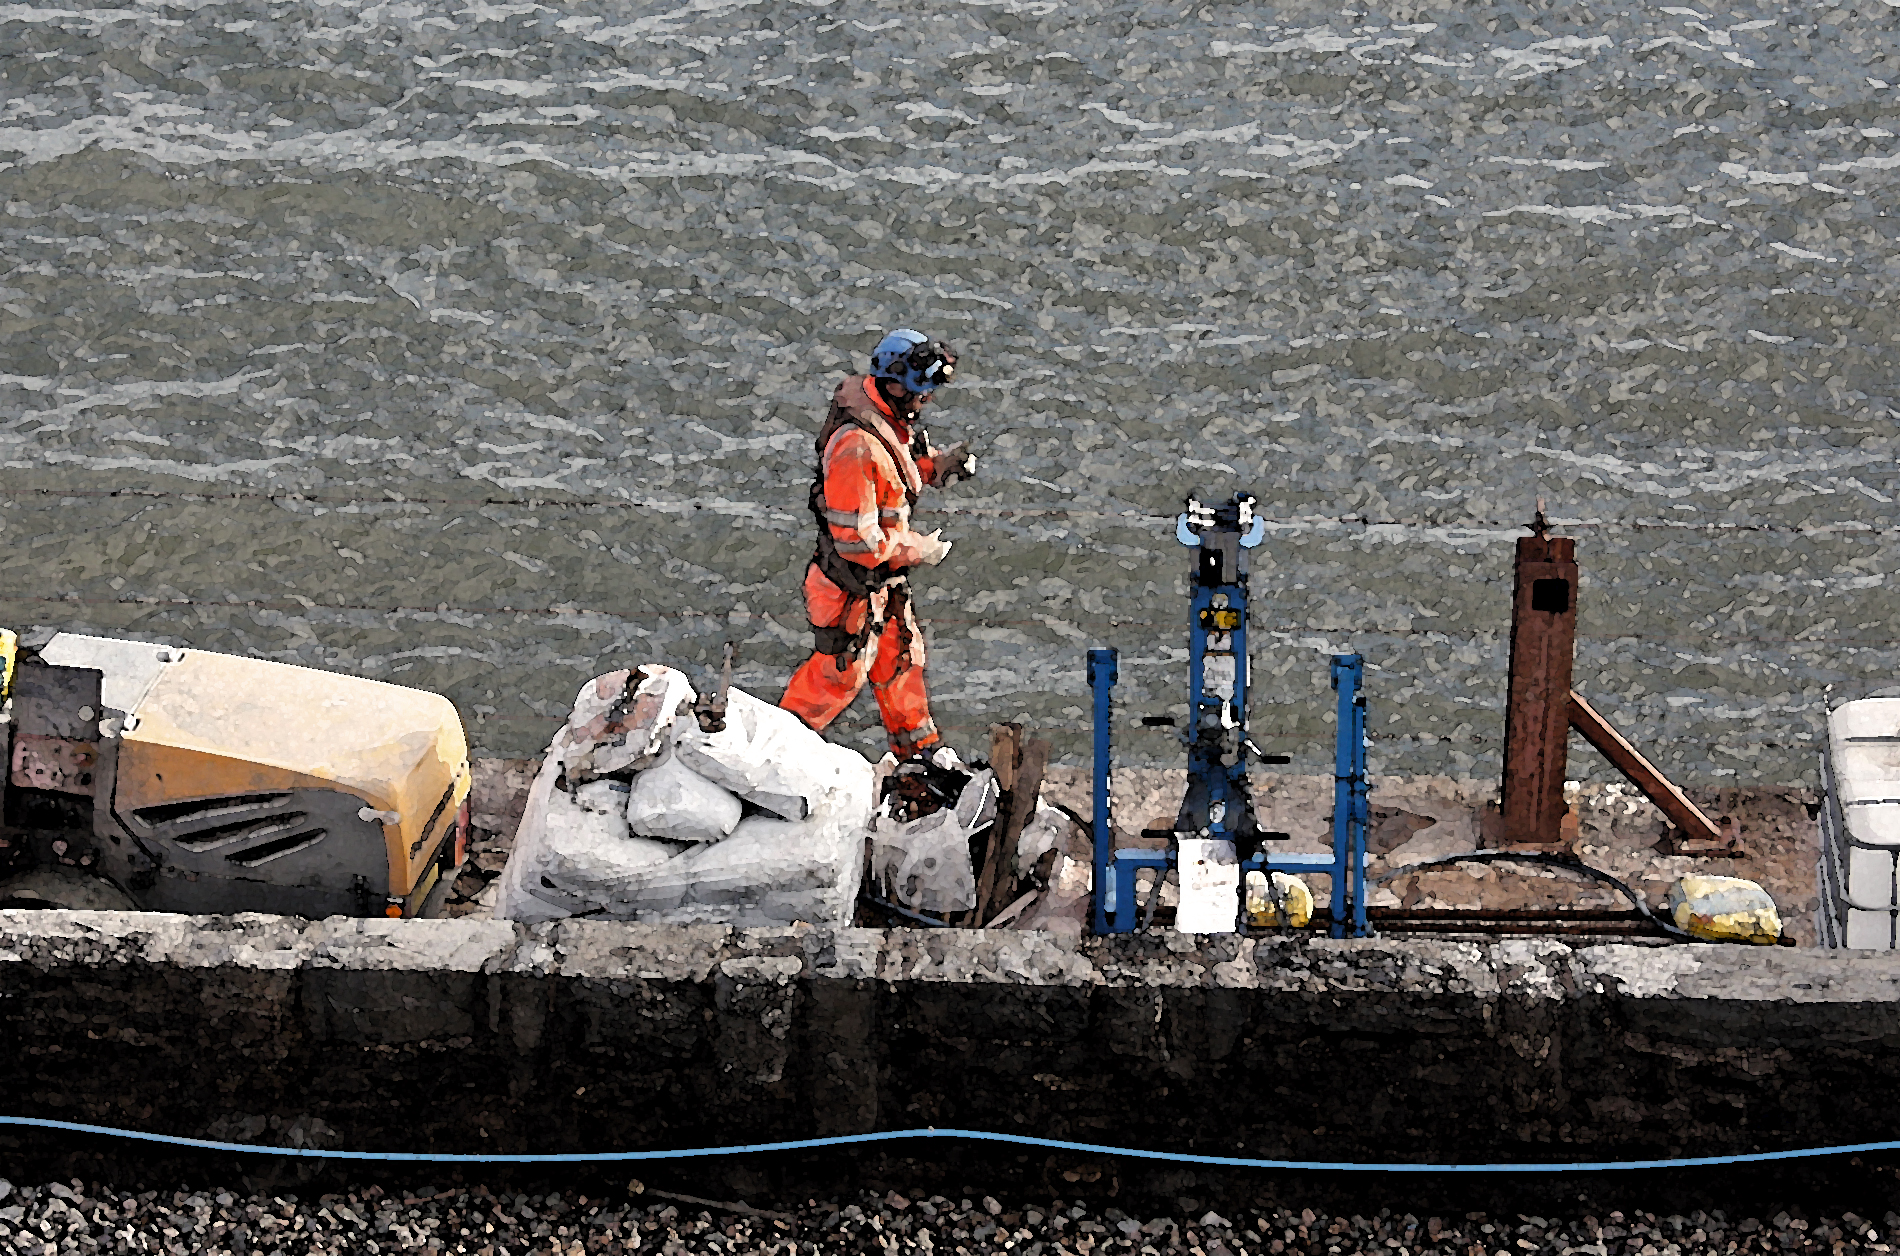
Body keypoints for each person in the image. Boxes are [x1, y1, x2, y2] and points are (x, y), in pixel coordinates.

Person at [778, 329, 976, 762]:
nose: (925, 399)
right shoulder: (855, 448)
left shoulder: (885, 417)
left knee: (902, 662)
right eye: (918, 391)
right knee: (836, 677)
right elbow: (858, 544)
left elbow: (898, 468)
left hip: (881, 587)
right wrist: (919, 550)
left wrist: (939, 467)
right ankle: (772, 754)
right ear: (893, 383)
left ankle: (919, 757)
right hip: (848, 588)